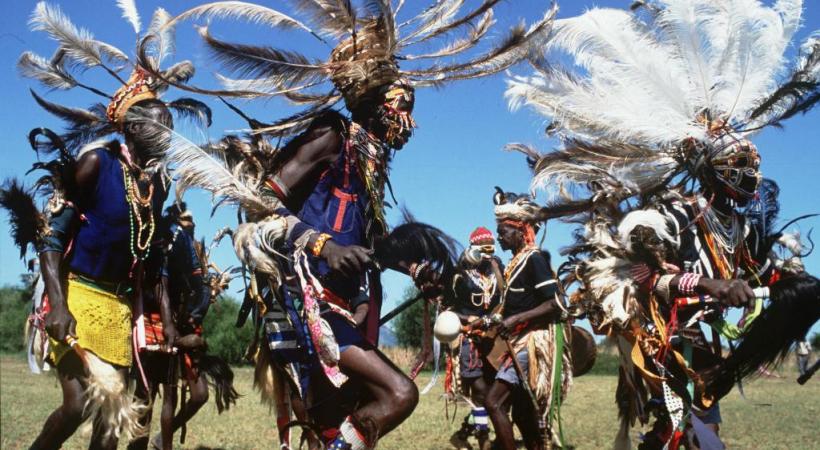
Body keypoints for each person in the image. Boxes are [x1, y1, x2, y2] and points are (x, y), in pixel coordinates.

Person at [151, 2, 557, 448]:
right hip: (308, 300)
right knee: (398, 393)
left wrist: (416, 271)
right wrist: (324, 246)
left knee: (333, 418)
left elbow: (371, 241)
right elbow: (263, 201)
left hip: (344, 303)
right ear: (371, 102)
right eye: (401, 105)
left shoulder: (369, 163)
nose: (409, 120)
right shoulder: (331, 135)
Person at [504, 2, 820, 448]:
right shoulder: (677, 213)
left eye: (753, 164)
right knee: (686, 433)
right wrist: (712, 287)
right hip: (659, 340)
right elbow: (646, 275)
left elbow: (757, 272)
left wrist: (795, 284)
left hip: (703, 344)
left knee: (689, 432)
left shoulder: (740, 229)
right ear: (713, 169)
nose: (750, 175)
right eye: (739, 164)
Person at [13, 3, 210, 448]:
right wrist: (58, 306)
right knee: (78, 403)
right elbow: (51, 236)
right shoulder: (95, 166)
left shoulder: (156, 185)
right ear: (131, 129)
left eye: (170, 126)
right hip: (76, 296)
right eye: (158, 126)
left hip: (121, 308)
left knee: (112, 421)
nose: (167, 135)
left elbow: (152, 254)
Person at [128, 204, 238, 450]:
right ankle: (139, 445)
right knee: (148, 393)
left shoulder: (191, 255)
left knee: (172, 394)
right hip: (154, 322)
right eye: (184, 224)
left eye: (191, 225)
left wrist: (192, 328)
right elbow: (156, 287)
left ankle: (158, 444)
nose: (188, 229)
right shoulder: (161, 248)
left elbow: (193, 299)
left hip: (176, 326)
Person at [484, 190, 570, 450]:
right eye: (498, 232)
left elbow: (556, 303)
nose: (499, 237)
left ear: (521, 230)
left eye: (503, 232)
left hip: (532, 343)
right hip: (517, 342)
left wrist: (517, 319)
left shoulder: (534, 258)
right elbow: (515, 305)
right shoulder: (515, 263)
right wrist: (493, 319)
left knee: (494, 402)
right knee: (521, 412)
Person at [446, 227, 503, 450]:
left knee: (492, 392)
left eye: (491, 249)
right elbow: (447, 308)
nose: (488, 255)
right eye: (483, 250)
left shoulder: (498, 273)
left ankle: (464, 433)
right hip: (468, 337)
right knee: (481, 391)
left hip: (494, 339)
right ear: (473, 251)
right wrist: (467, 317)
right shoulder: (459, 276)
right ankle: (483, 437)